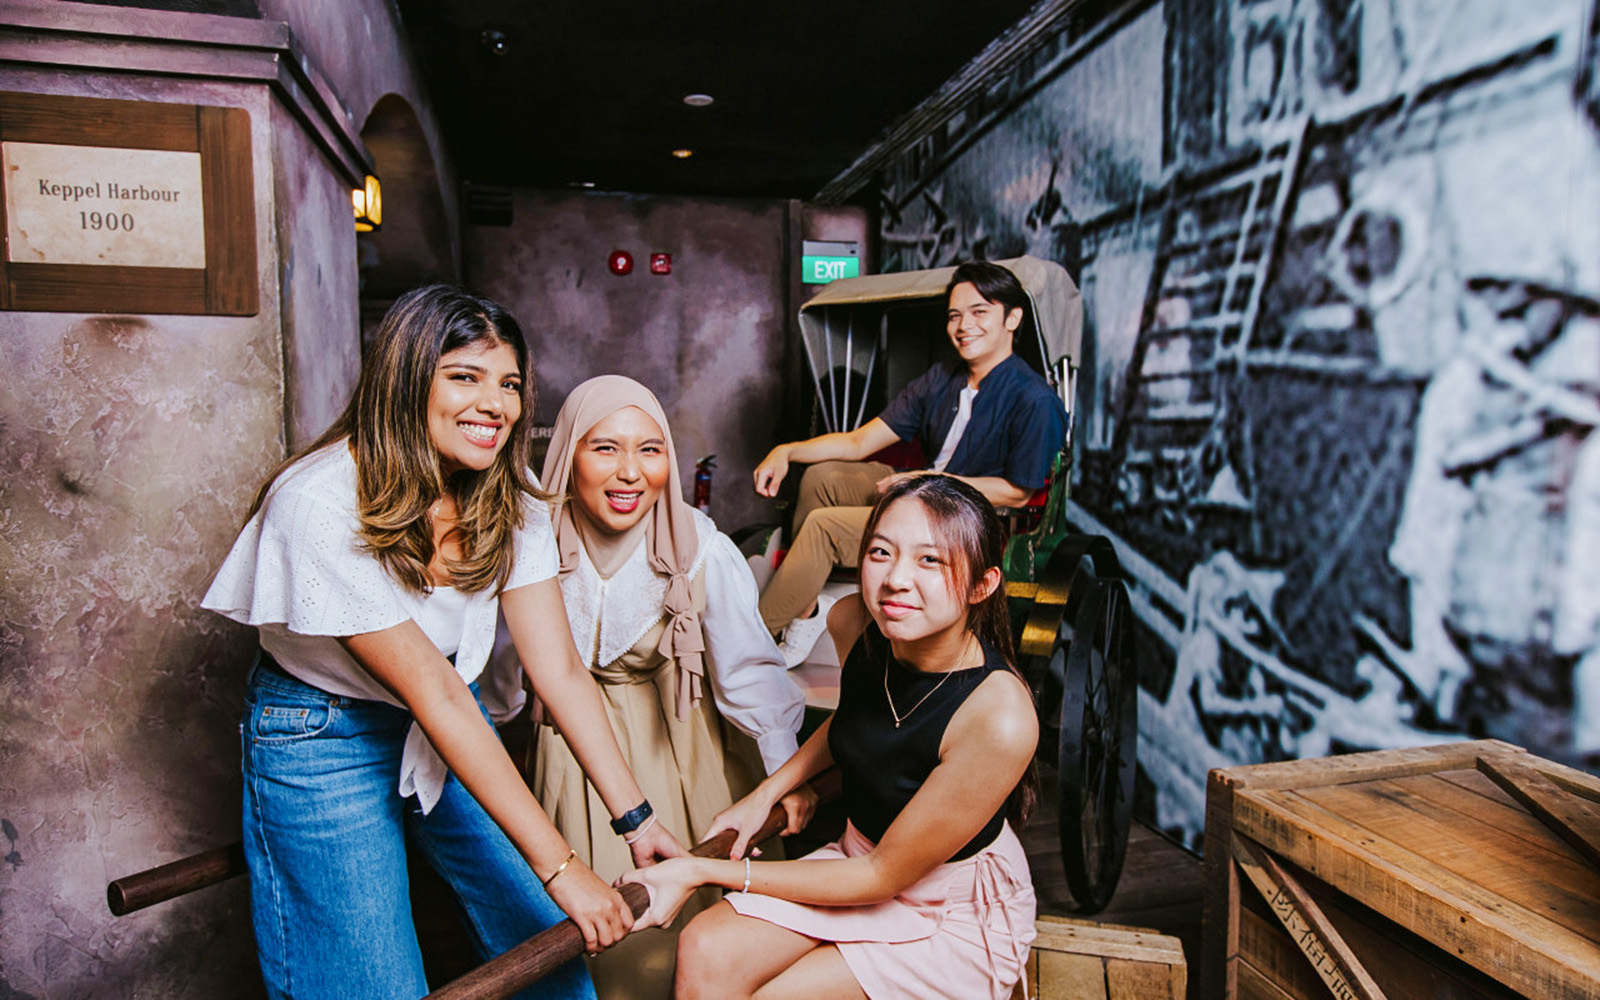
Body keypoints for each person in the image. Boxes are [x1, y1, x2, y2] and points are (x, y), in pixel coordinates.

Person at [201, 285, 682, 1000]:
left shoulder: (507, 494)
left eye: (510, 384)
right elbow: (434, 692)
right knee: (367, 986)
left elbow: (560, 673)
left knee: (550, 958)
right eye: (465, 376)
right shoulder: (317, 501)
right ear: (406, 379)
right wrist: (563, 867)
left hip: (450, 721)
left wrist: (636, 821)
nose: (495, 403)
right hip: (323, 733)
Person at [621, 474, 1040, 1000]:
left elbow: (881, 876)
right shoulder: (854, 625)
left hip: (944, 907)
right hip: (858, 856)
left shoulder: (999, 716)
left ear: (983, 584)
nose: (895, 580)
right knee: (706, 946)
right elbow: (857, 724)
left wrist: (697, 870)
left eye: (929, 560)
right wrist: (766, 795)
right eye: (881, 552)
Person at [533, 374, 808, 999]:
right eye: (605, 448)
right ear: (568, 452)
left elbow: (751, 678)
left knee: (681, 938)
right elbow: (495, 671)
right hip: (572, 756)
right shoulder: (532, 544)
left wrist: (785, 785)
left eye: (650, 449)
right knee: (589, 938)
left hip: (681, 754)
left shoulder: (700, 549)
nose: (631, 472)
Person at [754, 260, 1069, 664]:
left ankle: (751, 641)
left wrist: (932, 479)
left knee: (824, 528)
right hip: (920, 490)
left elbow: (1019, 493)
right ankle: (805, 605)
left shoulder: (1033, 399)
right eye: (954, 315)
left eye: (979, 312)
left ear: (1012, 318)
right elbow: (859, 441)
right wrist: (787, 451)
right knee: (822, 477)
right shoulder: (942, 379)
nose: (963, 326)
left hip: (964, 518)